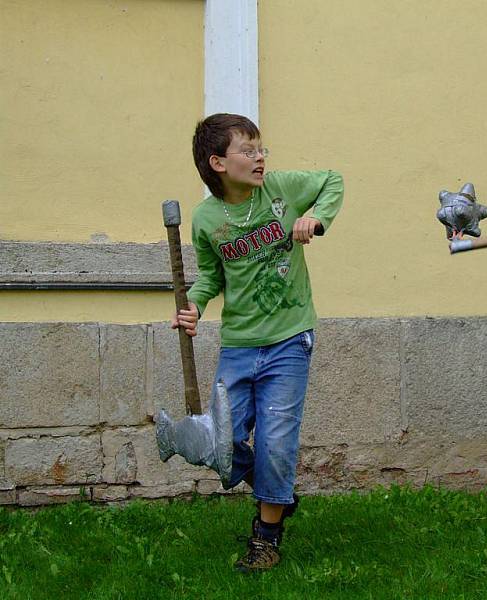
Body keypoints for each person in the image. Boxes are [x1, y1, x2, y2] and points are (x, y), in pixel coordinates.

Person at [171, 113, 344, 571]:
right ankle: (277, 490)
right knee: (219, 444)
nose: (260, 157)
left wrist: (315, 218)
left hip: (290, 338)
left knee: (276, 441)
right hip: (239, 344)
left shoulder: (282, 190)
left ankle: (266, 537)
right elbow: (210, 276)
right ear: (218, 163)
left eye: (261, 148)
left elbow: (333, 180)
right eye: (247, 151)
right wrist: (194, 304)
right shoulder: (207, 219)